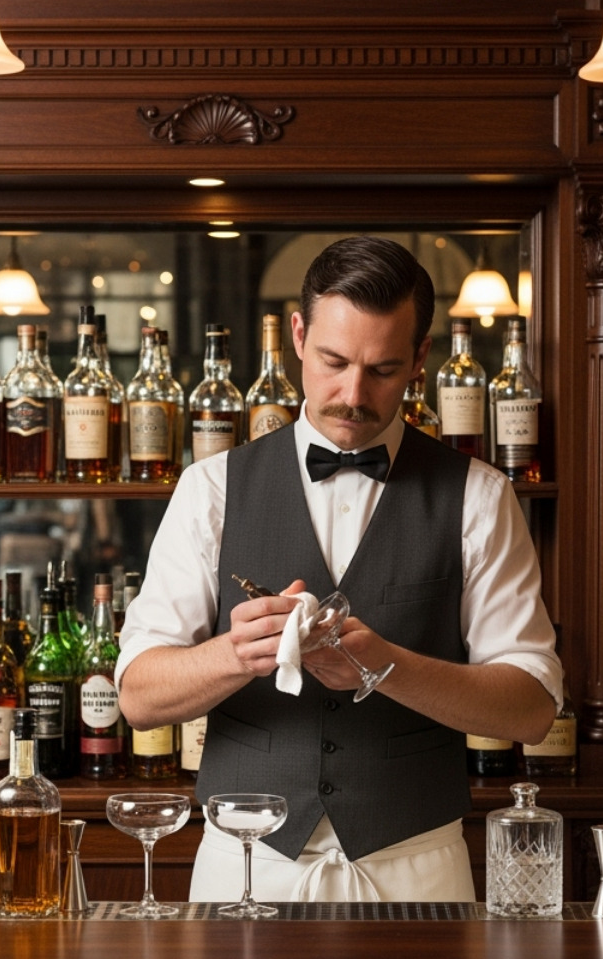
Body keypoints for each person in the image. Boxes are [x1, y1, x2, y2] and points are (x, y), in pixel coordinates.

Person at [116, 236, 561, 902]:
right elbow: (139, 696)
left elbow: (531, 708)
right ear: (298, 335)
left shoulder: (479, 495)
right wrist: (237, 654)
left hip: (417, 863)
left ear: (420, 359)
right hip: (246, 857)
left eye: (382, 369)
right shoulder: (211, 488)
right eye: (333, 362)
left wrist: (383, 666)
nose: (353, 395)